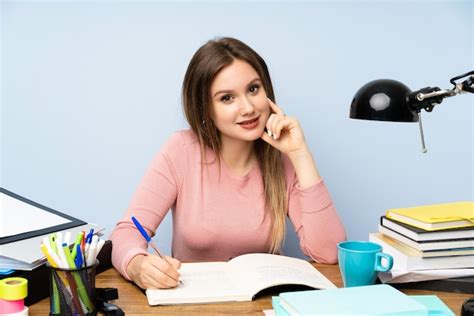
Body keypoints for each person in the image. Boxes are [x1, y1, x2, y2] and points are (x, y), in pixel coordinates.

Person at [109, 37, 346, 290]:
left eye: (253, 89)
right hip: (194, 304)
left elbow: (329, 252)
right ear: (204, 109)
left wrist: (300, 154)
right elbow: (126, 233)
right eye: (227, 98)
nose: (247, 108)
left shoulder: (281, 157)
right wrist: (137, 265)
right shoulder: (181, 151)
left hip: (262, 304)